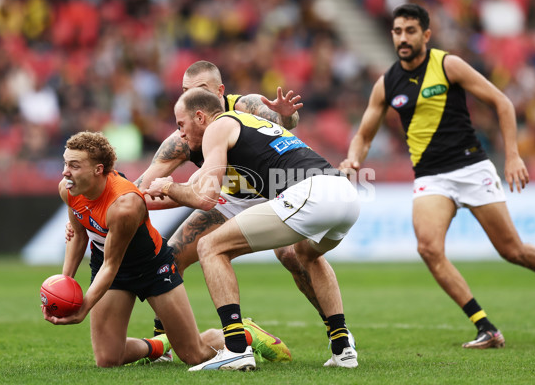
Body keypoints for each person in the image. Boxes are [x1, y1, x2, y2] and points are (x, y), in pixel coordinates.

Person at [66, 61, 354, 361]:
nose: (189, 99)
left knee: (294, 255)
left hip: (277, 191)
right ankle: (166, 342)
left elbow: (287, 118)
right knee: (171, 255)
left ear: (220, 92)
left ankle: (335, 335)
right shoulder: (181, 138)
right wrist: (93, 209)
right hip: (227, 199)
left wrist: (285, 115)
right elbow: (139, 192)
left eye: (199, 91)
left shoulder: (244, 106)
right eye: (185, 92)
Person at [339, 3, 535, 349]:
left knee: (512, 250)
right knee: (428, 247)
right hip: (430, 177)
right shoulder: (387, 83)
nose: (403, 38)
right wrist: (352, 159)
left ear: (426, 34)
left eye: (410, 31)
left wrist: (512, 156)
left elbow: (503, 103)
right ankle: (485, 327)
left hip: (471, 167)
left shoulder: (447, 64)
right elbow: (363, 135)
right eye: (397, 31)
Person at [144, 88, 360, 370]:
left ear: (200, 116)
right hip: (343, 194)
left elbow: (206, 198)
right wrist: (163, 192)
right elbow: (199, 191)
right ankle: (343, 348)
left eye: (181, 125)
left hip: (310, 193)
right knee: (306, 255)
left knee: (210, 247)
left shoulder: (217, 128)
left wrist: (167, 186)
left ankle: (235, 348)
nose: (180, 134)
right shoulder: (248, 121)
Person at [45, 131, 288, 367]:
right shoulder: (68, 188)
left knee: (194, 354)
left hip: (152, 268)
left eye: (74, 166)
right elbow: (78, 235)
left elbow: (112, 263)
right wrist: (63, 283)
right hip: (111, 267)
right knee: (108, 359)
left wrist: (83, 307)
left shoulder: (125, 205)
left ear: (98, 170)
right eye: (66, 163)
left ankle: (246, 333)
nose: (65, 172)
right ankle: (160, 346)